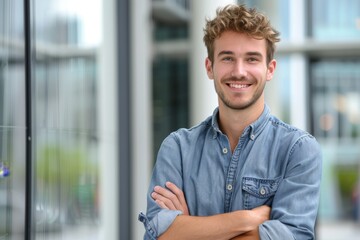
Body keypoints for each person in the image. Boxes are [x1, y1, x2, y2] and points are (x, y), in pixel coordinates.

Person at [139, 4, 322, 240]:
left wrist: (189, 229)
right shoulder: (178, 149)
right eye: (227, 58)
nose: (239, 71)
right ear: (209, 67)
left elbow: (293, 236)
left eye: (252, 59)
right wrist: (248, 220)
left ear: (270, 69)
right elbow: (157, 234)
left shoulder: (298, 150)